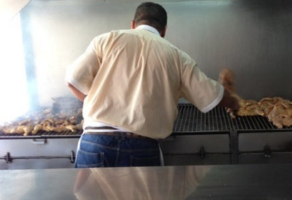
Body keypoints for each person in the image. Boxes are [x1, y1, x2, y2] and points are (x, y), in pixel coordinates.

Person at [66, 2, 239, 168]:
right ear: (164, 30)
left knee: (92, 199)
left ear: (133, 24)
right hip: (142, 147)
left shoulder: (106, 40)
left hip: (95, 143)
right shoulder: (178, 57)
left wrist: (97, 101)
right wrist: (234, 102)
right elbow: (212, 96)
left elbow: (73, 81)